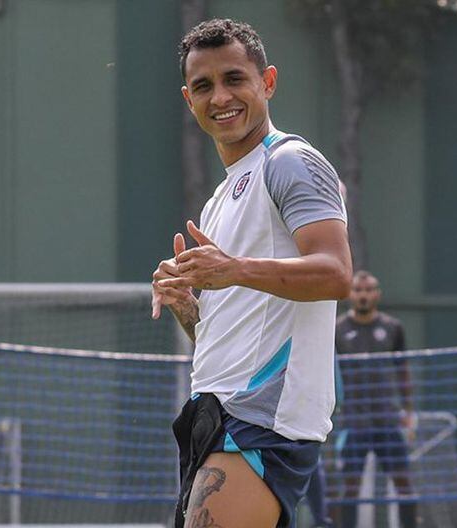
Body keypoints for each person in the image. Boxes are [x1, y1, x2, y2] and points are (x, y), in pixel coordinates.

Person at [150, 18, 352, 528]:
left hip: (261, 422)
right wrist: (187, 306)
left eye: (234, 79)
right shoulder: (220, 198)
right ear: (188, 100)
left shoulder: (290, 161)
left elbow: (336, 273)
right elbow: (229, 335)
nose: (220, 97)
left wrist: (233, 269)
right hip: (216, 415)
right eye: (203, 86)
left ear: (268, 82)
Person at [335, 271, 416, 528]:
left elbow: (403, 371)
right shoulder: (337, 330)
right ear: (350, 294)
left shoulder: (393, 328)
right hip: (353, 422)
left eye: (368, 290)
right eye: (358, 290)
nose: (363, 295)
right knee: (350, 487)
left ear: (377, 294)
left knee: (404, 484)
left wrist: (408, 411)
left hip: (387, 419)